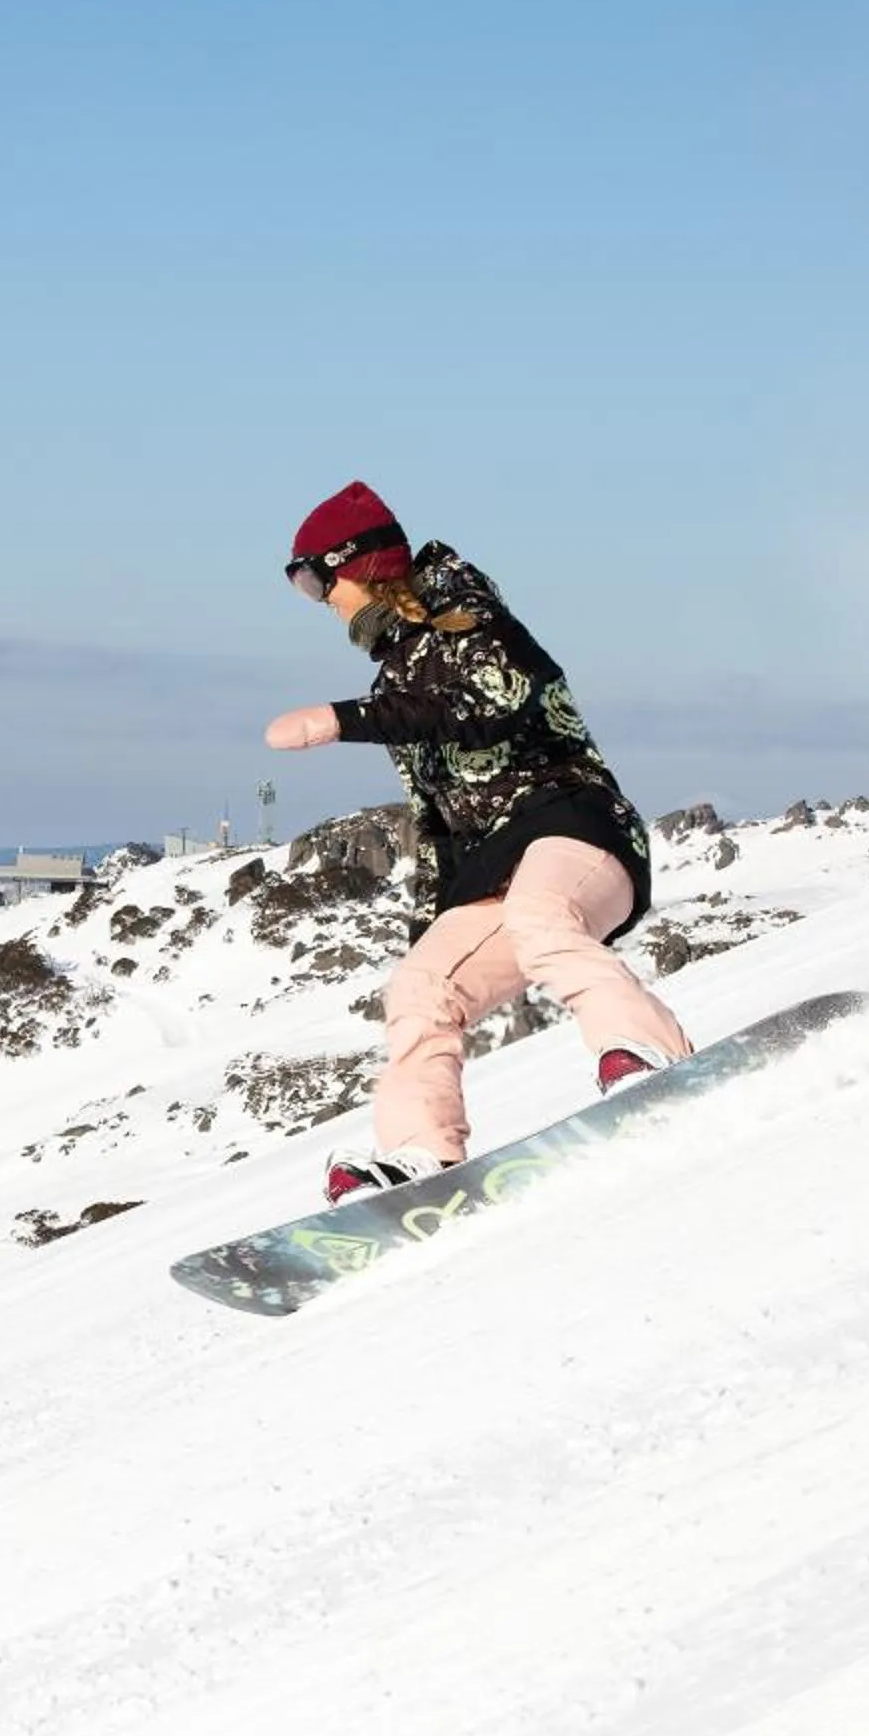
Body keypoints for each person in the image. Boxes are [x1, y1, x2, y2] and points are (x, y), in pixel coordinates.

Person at [264, 479, 693, 1204]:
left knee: (540, 916)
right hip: (491, 862)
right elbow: (435, 820)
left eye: (314, 580)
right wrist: (435, 921)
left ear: (359, 564)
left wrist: (347, 719)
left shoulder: (469, 613)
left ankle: (652, 1057)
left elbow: (493, 699)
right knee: (422, 986)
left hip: (574, 822)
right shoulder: (396, 669)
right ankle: (416, 1158)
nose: (319, 602)